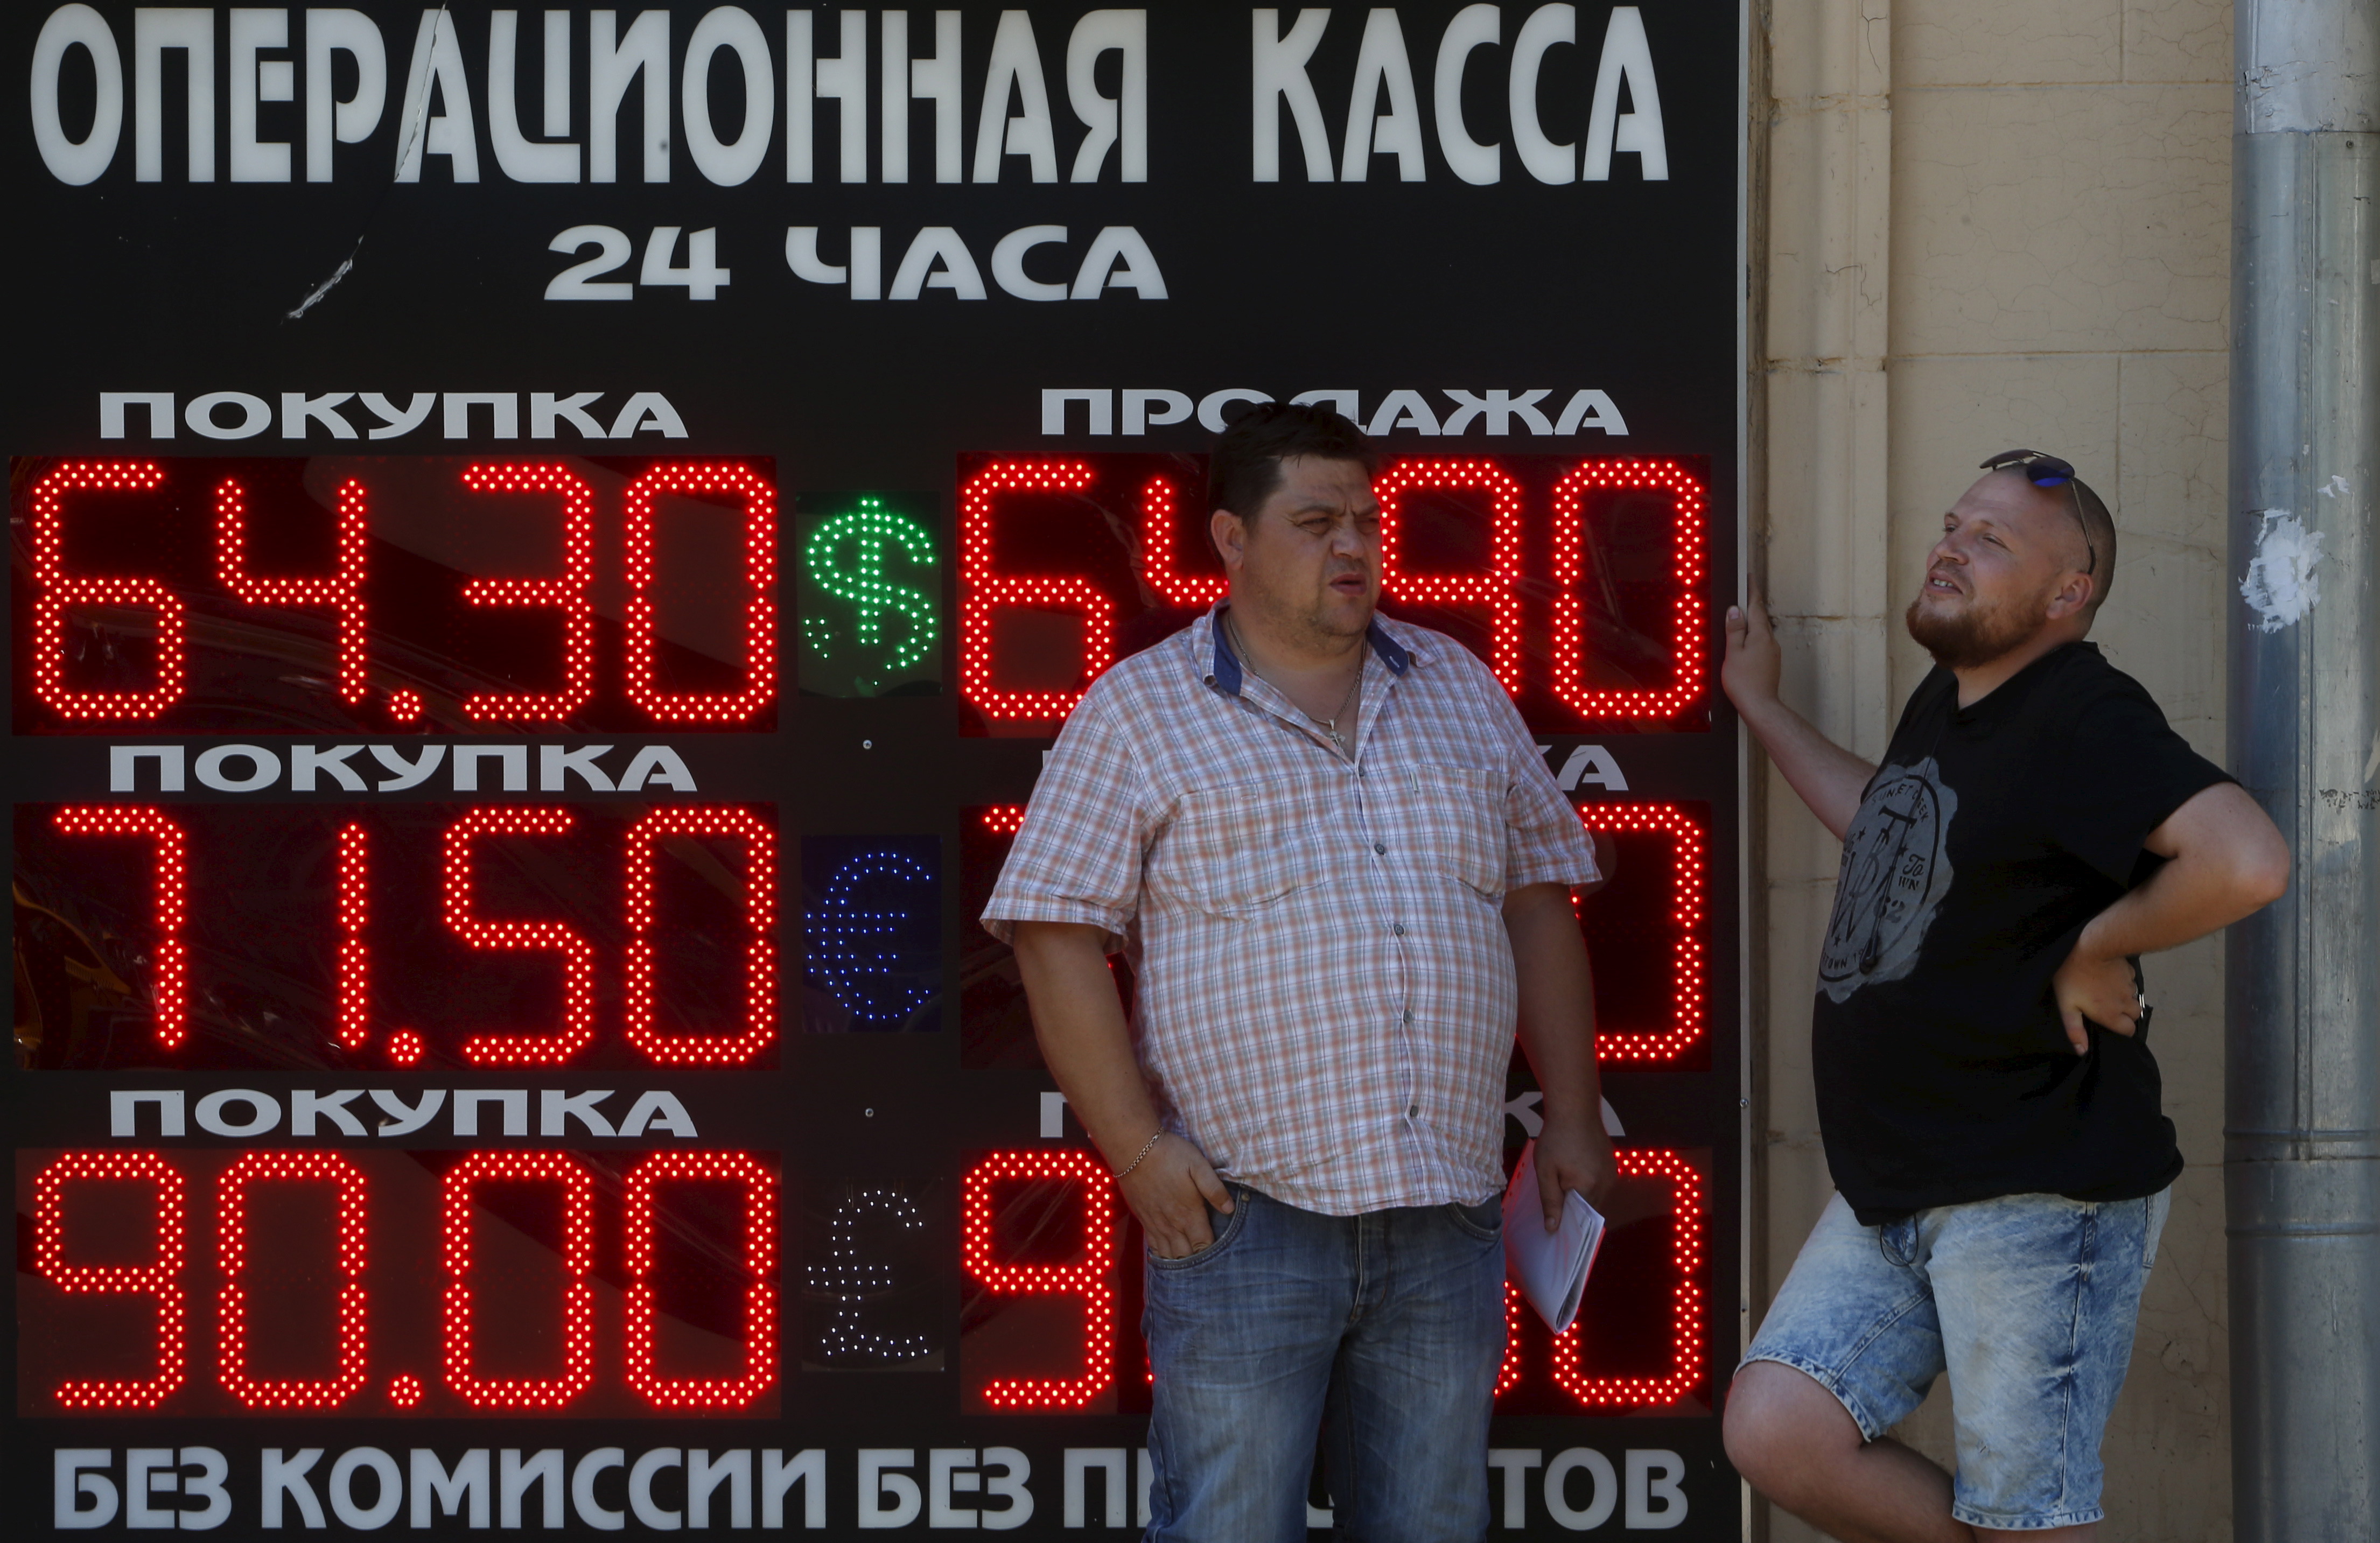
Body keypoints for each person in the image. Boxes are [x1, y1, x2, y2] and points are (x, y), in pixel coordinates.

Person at [982, 403, 1614, 1542]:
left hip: (1446, 1211)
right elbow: (1053, 932)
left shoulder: (1456, 684)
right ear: (1230, 538)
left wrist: (1570, 1110)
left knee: (1432, 1529)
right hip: (1244, 1215)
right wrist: (1137, 1153)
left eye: (1365, 520)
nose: (1353, 545)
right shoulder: (1139, 710)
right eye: (1317, 522)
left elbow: (1536, 900)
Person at [1719, 451, 2291, 1542]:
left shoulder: (2082, 708)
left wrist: (2095, 942)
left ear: (2070, 590)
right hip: (1897, 1185)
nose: (1950, 546)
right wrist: (1762, 708)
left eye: (1990, 539)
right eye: (1952, 525)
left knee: (2026, 1518)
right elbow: (1893, 831)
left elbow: (2246, 859)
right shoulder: (1951, 699)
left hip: (2034, 1188)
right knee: (1779, 1428)